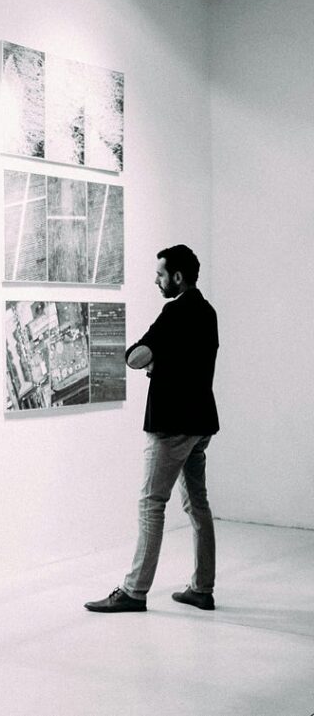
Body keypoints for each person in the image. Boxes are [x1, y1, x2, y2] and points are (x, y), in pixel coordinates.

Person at [85, 244, 219, 613]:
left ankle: (134, 591)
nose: (156, 281)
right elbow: (191, 361)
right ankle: (202, 588)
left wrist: (154, 356)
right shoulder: (208, 313)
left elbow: (135, 356)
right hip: (200, 422)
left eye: (161, 275)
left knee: (151, 503)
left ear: (177, 277)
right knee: (197, 504)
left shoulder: (173, 312)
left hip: (172, 424)